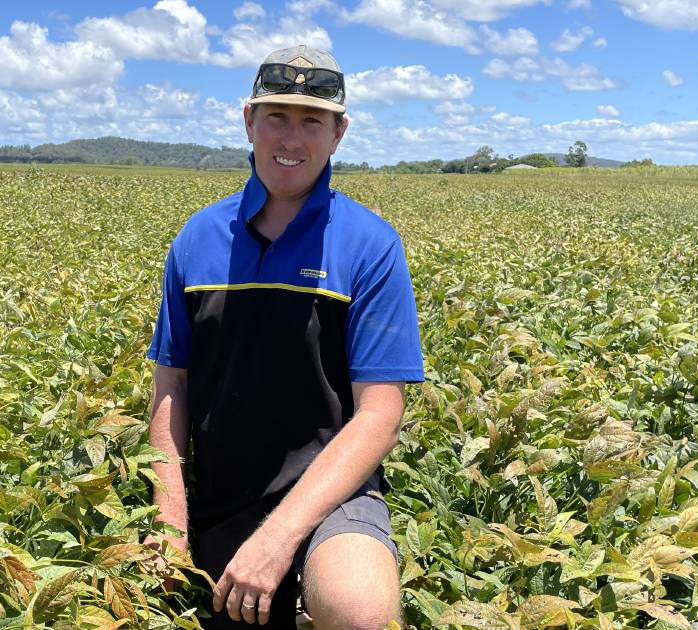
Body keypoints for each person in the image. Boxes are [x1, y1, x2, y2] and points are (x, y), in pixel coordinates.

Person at [145, 44, 425, 629]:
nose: (291, 139)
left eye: (311, 121)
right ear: (249, 121)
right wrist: (169, 522)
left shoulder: (369, 244)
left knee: (360, 610)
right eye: (277, 116)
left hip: (333, 497)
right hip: (221, 499)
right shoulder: (198, 239)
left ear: (338, 132)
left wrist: (279, 539)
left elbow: (379, 414)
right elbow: (171, 386)